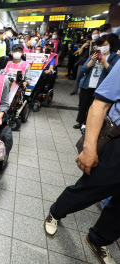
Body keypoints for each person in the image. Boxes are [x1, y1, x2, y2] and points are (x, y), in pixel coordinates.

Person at [44, 59, 120, 264]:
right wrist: (89, 147)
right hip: (116, 140)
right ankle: (56, 211)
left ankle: (98, 239)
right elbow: (100, 104)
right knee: (93, 187)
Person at [73, 35, 120, 132]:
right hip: (87, 84)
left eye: (105, 44)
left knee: (93, 107)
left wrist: (104, 62)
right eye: (100, 45)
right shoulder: (93, 55)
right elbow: (84, 69)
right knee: (83, 105)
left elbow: (113, 72)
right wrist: (92, 60)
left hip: (100, 87)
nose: (102, 46)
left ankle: (86, 125)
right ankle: (80, 122)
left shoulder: (114, 57)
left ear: (110, 45)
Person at [70, 29, 100, 95]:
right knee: (78, 77)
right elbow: (80, 53)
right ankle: (75, 90)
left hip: (92, 63)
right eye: (94, 33)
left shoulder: (99, 44)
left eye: (97, 33)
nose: (95, 35)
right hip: (83, 62)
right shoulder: (87, 43)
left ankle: (83, 91)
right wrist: (83, 47)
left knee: (88, 77)